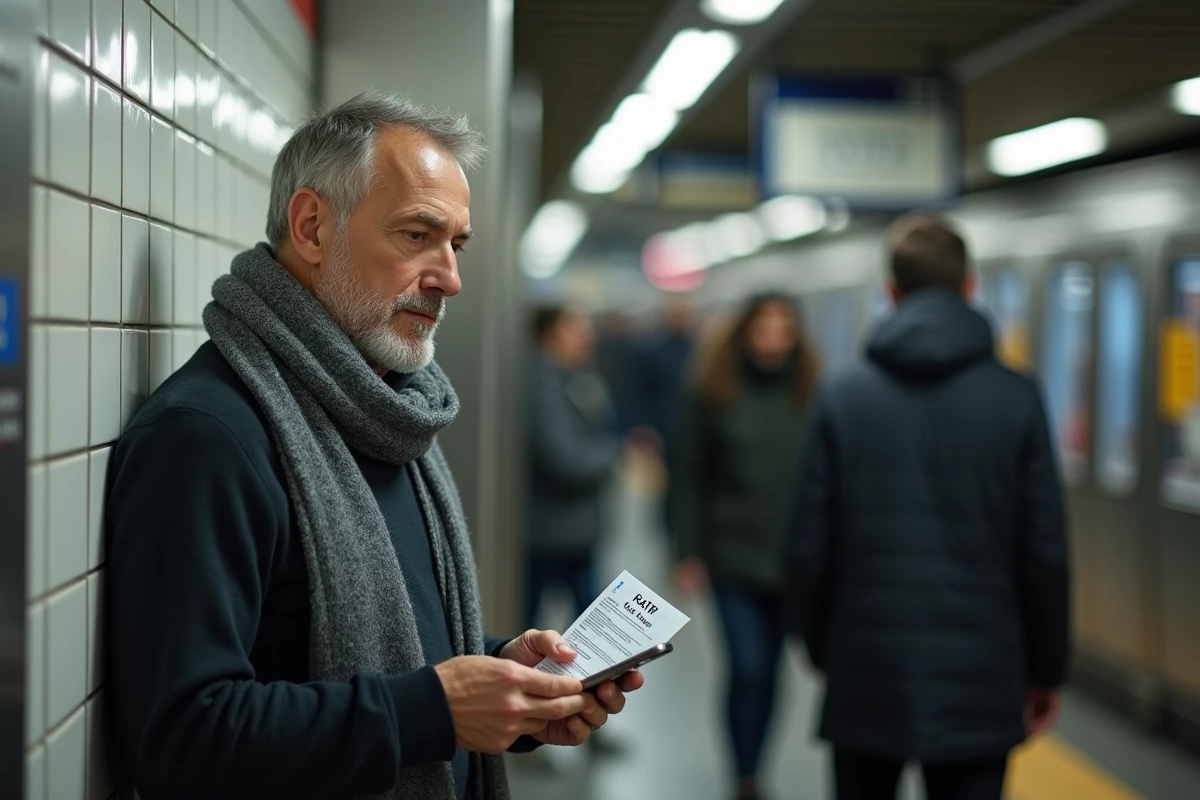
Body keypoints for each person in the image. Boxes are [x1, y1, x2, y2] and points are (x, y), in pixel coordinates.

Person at [104, 91, 642, 800]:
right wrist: (435, 710)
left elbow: (394, 662)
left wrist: (505, 681)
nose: (450, 278)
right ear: (312, 227)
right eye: (417, 235)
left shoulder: (391, 414)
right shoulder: (209, 436)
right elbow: (182, 738)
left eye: (456, 245)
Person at [787, 213, 1070, 800]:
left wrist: (824, 647)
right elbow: (1044, 550)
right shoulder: (1018, 396)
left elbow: (807, 546)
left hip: (866, 664)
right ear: (969, 287)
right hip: (982, 675)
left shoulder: (841, 395)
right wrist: (1046, 670)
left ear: (890, 292)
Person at [673, 292, 821, 800]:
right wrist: (687, 550)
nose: (774, 339)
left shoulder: (810, 394)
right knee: (748, 666)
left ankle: (757, 768)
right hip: (730, 555)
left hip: (791, 559)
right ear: (744, 333)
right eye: (765, 328)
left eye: (785, 329)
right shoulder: (715, 391)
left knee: (773, 671)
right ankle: (743, 773)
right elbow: (689, 475)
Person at [525, 306, 620, 631]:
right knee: (584, 628)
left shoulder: (577, 377)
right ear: (549, 335)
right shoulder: (541, 384)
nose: (586, 337)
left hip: (574, 531)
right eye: (575, 329)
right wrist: (614, 454)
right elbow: (567, 461)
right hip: (552, 534)